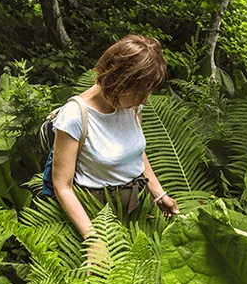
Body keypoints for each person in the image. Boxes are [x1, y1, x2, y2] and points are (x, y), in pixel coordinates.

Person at [51, 34, 180, 241]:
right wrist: (92, 238)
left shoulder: (131, 106)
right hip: (98, 217)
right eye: (139, 92)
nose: (144, 101)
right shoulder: (74, 116)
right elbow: (62, 186)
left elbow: (136, 151)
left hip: (137, 206)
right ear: (118, 80)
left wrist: (159, 193)